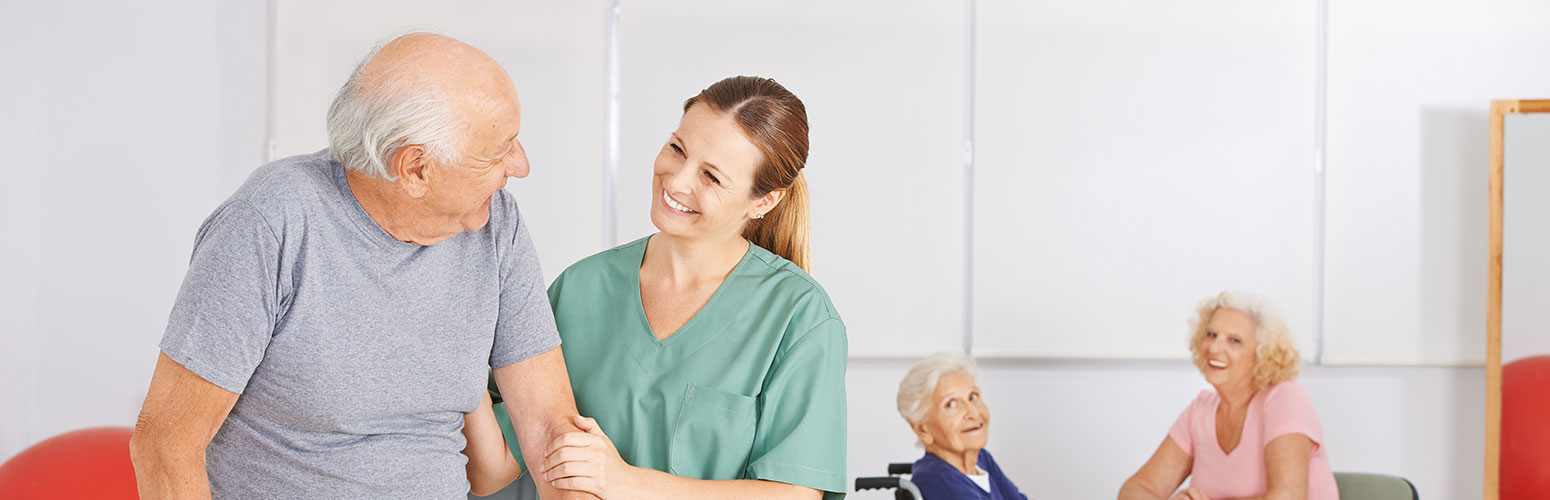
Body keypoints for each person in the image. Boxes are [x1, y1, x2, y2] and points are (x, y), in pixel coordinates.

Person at [128, 33, 590, 499]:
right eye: (499, 151)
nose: (522, 164)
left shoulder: (497, 225)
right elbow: (165, 445)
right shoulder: (272, 221)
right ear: (414, 169)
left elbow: (553, 436)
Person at [464, 75, 848, 499]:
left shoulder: (799, 316)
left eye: (712, 177)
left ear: (764, 201)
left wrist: (624, 482)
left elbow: (795, 494)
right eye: (677, 149)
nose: (677, 181)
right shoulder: (580, 289)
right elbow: (491, 467)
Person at [1118, 290, 1338, 500]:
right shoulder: (1200, 411)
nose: (1214, 347)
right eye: (1211, 334)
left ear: (1263, 353)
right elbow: (1136, 489)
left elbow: (1288, 498)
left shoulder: (1285, 398)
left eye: (1234, 340)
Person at [896, 352, 1028, 500]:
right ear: (922, 429)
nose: (973, 412)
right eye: (951, 404)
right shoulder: (937, 480)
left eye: (973, 396)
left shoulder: (981, 459)